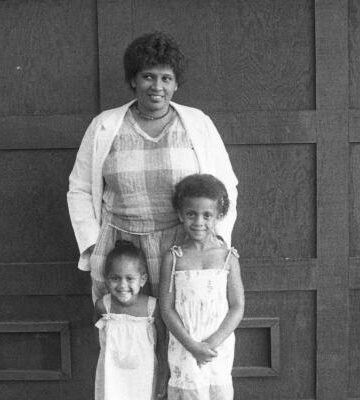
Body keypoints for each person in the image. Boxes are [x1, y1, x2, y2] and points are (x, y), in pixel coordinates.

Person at [68, 31, 239, 303]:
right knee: (125, 334)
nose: (157, 86)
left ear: (175, 84)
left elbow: (225, 186)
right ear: (133, 80)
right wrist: (93, 244)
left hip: (183, 246)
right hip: (121, 252)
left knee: (184, 329)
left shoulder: (198, 124)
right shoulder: (104, 125)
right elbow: (79, 189)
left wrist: (213, 241)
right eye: (148, 76)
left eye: (166, 78)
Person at [159, 174, 244, 400]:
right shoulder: (173, 258)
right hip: (185, 345)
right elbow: (166, 308)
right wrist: (192, 345)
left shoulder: (228, 258)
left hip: (217, 347)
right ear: (180, 215)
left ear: (219, 216)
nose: (198, 222)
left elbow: (237, 306)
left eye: (207, 215)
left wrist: (211, 343)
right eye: (191, 214)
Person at [94, 240, 167, 400]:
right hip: (113, 378)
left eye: (129, 278)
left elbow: (163, 343)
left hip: (144, 377)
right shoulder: (103, 306)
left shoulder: (152, 307)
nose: (122, 285)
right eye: (115, 278)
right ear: (106, 279)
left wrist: (163, 374)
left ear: (142, 279)